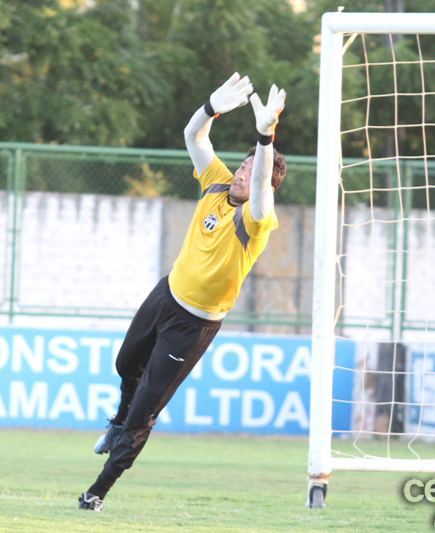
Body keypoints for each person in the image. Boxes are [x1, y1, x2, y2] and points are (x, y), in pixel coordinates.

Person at [77, 73, 287, 511]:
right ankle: (116, 425)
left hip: (194, 324)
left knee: (145, 412)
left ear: (264, 188)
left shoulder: (255, 220)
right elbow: (194, 135)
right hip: (166, 294)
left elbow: (263, 186)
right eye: (244, 166)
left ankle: (98, 490)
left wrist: (265, 136)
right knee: (124, 364)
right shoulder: (215, 182)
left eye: (254, 173)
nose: (244, 173)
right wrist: (211, 106)